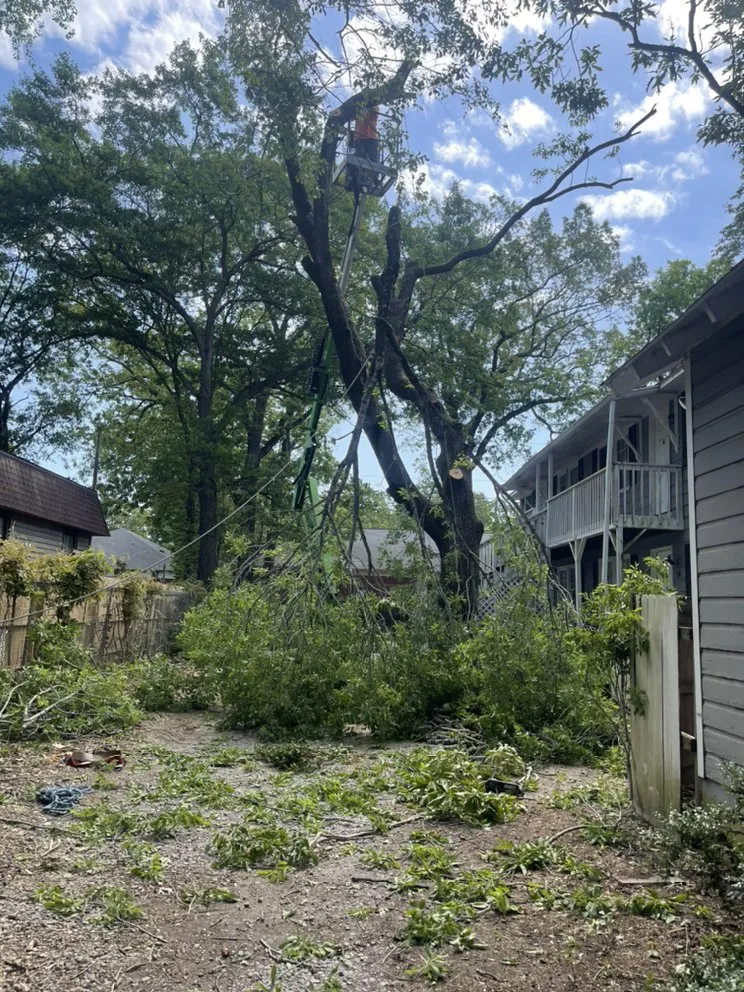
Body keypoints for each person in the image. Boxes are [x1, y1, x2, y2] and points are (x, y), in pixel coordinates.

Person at [346, 104, 380, 192]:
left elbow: (373, 114)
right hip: (360, 138)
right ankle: (352, 177)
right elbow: (351, 116)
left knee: (373, 160)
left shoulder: (374, 107)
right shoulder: (359, 107)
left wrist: (362, 108)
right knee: (357, 159)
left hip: (371, 138)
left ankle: (374, 179)